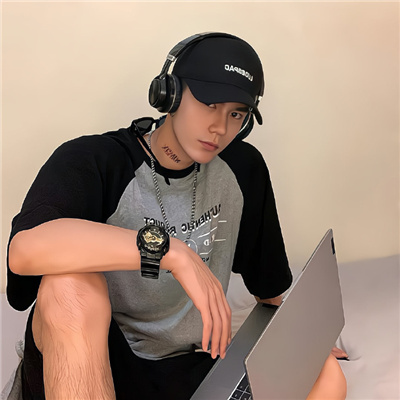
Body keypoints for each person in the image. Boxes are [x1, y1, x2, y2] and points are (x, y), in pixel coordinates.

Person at [6, 32, 346, 400]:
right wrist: (172, 252)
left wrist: (302, 342)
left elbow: (269, 288)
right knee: (68, 287)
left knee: (326, 375)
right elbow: (24, 250)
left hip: (184, 369)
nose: (220, 127)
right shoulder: (95, 160)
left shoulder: (242, 169)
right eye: (209, 104)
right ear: (169, 94)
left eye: (236, 114)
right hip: (98, 357)